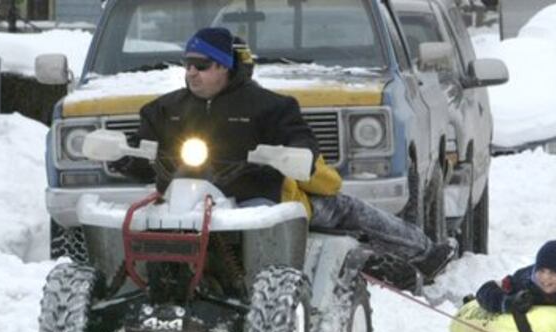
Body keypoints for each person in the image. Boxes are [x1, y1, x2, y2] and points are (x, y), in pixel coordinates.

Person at [110, 27, 455, 284]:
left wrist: (295, 154)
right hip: (182, 203)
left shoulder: (270, 107)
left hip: (259, 201)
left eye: (202, 65)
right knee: (127, 225)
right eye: (187, 65)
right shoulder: (164, 109)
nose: (192, 73)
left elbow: (301, 141)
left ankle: (423, 251)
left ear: (227, 67)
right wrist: (123, 158)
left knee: (342, 208)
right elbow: (143, 153)